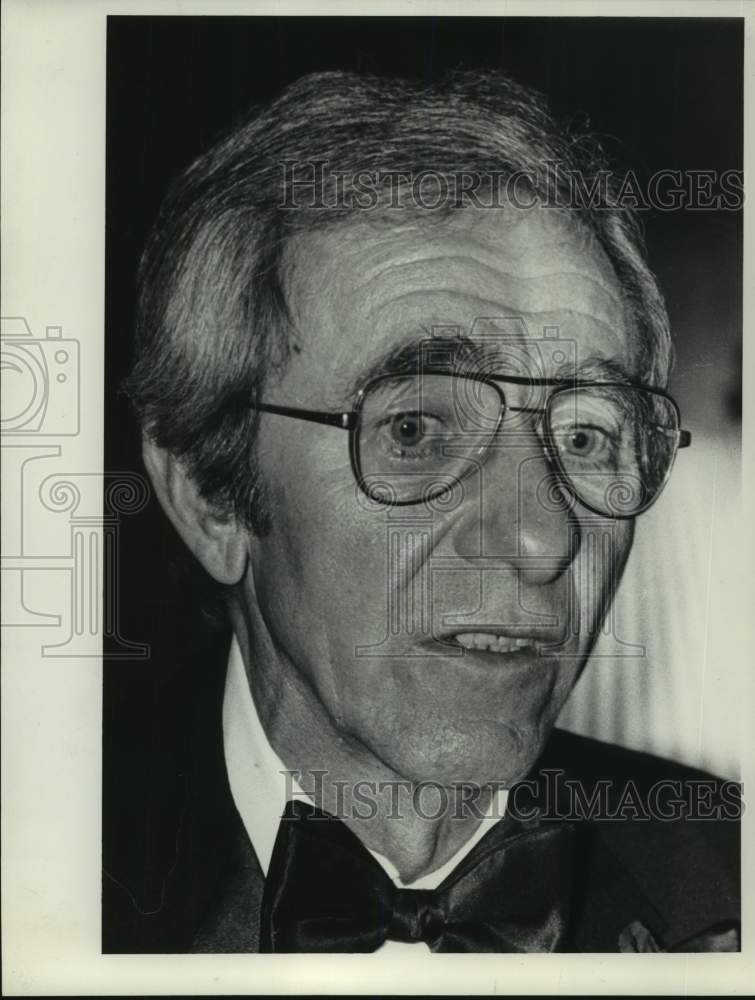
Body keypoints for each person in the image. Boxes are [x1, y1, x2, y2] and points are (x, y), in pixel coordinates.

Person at [106, 70, 740, 953]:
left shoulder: (725, 878)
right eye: (414, 429)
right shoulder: (46, 858)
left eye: (586, 437)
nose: (543, 537)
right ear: (209, 496)